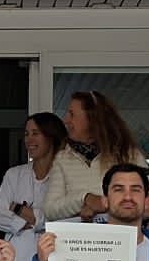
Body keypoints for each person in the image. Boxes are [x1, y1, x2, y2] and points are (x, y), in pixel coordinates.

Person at [43, 91, 142, 223]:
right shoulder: (62, 158)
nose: (66, 120)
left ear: (92, 118)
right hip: (78, 241)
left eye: (72, 114)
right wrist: (85, 199)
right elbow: (50, 210)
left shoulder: (128, 154)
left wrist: (103, 204)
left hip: (122, 239)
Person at [0, 113, 69, 261]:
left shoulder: (65, 176)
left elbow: (64, 219)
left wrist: (18, 209)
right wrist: (30, 221)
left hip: (54, 259)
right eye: (27, 134)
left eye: (36, 133)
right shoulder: (14, 174)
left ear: (51, 136)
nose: (29, 140)